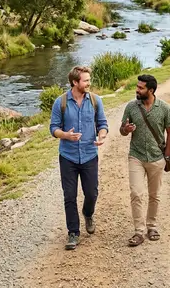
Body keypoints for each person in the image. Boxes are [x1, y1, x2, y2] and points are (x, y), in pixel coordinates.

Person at [50, 66, 109, 250]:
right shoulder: (61, 102)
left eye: (89, 80)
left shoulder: (95, 100)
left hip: (90, 155)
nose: (89, 83)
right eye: (86, 81)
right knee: (69, 196)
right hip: (68, 157)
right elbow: (53, 128)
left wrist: (102, 135)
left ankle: (88, 213)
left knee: (92, 193)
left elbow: (103, 124)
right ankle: (73, 232)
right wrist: (65, 135)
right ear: (75, 82)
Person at [119, 74, 170, 247]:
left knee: (154, 195)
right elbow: (122, 130)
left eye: (141, 88)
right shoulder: (131, 107)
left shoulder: (164, 108)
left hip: (157, 157)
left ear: (150, 90)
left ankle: (152, 226)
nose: (137, 90)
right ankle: (139, 231)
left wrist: (166, 155)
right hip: (135, 156)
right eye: (137, 86)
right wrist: (126, 129)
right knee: (136, 193)